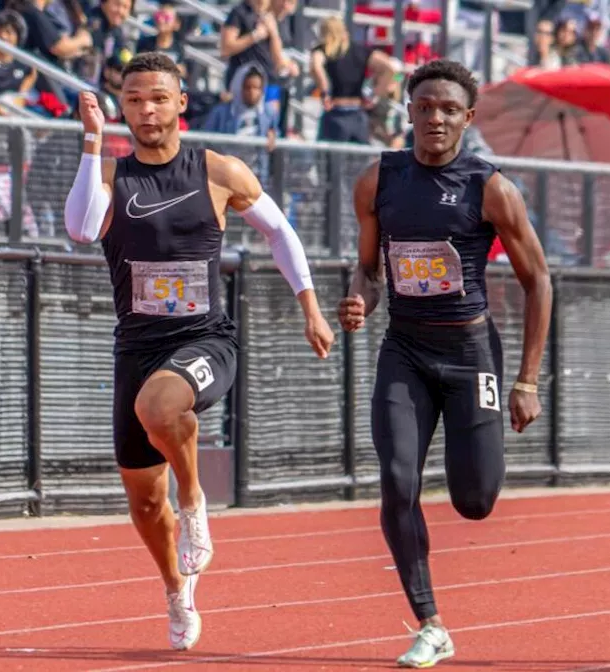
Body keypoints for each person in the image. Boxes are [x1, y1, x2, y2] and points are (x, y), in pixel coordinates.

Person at [62, 52, 335, 650]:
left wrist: (310, 305)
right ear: (122, 107)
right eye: (133, 99)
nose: (146, 110)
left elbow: (280, 232)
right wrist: (91, 140)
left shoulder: (218, 171)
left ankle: (194, 499)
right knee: (141, 498)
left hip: (204, 338)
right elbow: (82, 229)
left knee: (161, 410)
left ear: (181, 102)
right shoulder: (111, 178)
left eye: (158, 97)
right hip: (137, 345)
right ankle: (176, 590)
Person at [336, 59, 552, 668]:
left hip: (470, 354)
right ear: (408, 110)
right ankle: (430, 621)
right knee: (397, 479)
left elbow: (539, 281)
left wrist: (527, 380)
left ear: (467, 118)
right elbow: (370, 270)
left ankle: (479, 458)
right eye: (424, 107)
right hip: (404, 350)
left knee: (475, 501)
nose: (434, 118)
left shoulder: (491, 188)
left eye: (448, 110)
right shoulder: (378, 179)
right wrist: (360, 298)